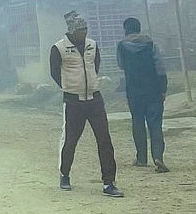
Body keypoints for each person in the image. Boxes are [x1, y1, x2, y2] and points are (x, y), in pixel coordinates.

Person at [51, 11, 124, 197]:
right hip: (73, 101)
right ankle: (64, 174)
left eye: (86, 29)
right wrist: (69, 87)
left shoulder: (92, 45)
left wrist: (90, 83)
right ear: (72, 32)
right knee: (70, 140)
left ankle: (109, 182)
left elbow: (95, 65)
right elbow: (54, 73)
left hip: (95, 99)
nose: (84, 33)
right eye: (81, 30)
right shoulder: (58, 48)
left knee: (105, 140)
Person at [117, 17, 169, 173]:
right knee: (155, 123)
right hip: (153, 90)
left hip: (134, 90)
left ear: (126, 30)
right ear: (139, 28)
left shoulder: (122, 46)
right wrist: (163, 88)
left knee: (138, 122)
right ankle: (158, 157)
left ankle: (141, 158)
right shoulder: (151, 44)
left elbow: (120, 64)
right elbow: (160, 67)